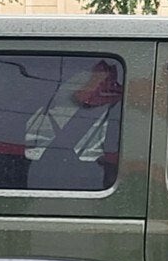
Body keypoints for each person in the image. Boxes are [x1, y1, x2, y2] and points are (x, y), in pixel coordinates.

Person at [25, 59, 123, 189]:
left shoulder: (122, 111)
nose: (106, 84)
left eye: (107, 79)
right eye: (100, 79)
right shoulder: (48, 117)